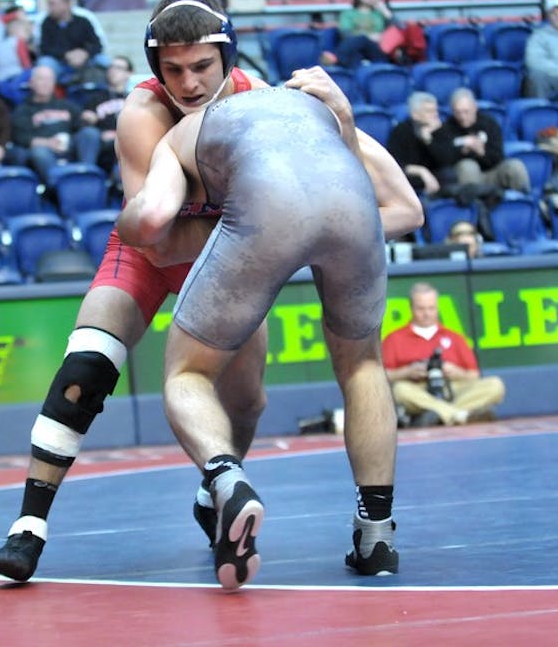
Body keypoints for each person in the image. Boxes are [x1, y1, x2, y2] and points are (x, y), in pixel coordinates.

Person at [0, 0, 423, 584]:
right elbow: (158, 240)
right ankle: (28, 527)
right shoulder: (143, 112)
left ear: (228, 60)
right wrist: (276, 233)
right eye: (173, 70)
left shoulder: (260, 98)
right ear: (155, 69)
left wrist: (310, 180)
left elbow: (374, 194)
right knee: (86, 365)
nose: (188, 83)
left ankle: (219, 496)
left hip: (228, 257)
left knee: (245, 404)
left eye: (201, 67)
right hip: (161, 253)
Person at [116, 83, 418, 588]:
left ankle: (225, 480)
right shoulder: (312, 108)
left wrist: (123, 225)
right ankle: (376, 536)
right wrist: (318, 231)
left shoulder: (180, 135)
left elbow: (150, 222)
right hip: (355, 204)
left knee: (187, 374)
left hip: (263, 211)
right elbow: (410, 211)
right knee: (363, 365)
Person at [382, 282, 505, 427]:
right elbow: (382, 376)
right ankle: (460, 415)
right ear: (411, 307)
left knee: (495, 385)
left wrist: (456, 372)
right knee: (399, 390)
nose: (426, 314)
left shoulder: (454, 337)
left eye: (431, 308)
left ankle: (440, 415)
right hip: (418, 389)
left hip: (451, 388)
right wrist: (407, 372)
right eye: (421, 309)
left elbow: (473, 375)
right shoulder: (394, 338)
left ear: (437, 307)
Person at [8, 63, 101, 183]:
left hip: (69, 146)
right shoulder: (22, 110)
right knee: (38, 152)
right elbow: (20, 138)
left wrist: (88, 119)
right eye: (41, 79)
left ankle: (87, 175)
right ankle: (59, 185)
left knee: (90, 133)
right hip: (45, 150)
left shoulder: (66, 105)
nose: (46, 83)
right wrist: (48, 143)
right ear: (31, 83)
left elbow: (80, 126)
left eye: (49, 79)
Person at [429, 88, 530, 194]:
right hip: (465, 177)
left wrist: (481, 152)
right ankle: (475, 202)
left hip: (492, 172)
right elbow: (443, 161)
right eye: (458, 112)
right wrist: (463, 151)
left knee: (515, 166)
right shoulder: (447, 128)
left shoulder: (489, 124)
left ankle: (524, 200)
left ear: (474, 108)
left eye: (466, 112)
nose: (462, 117)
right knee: (468, 166)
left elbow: (498, 156)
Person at [35, 0, 108, 85]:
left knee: (104, 61)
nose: (49, 8)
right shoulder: (46, 23)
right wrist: (66, 55)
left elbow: (97, 45)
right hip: (60, 62)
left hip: (85, 61)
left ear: (66, 3)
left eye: (52, 4)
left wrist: (85, 54)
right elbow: (45, 48)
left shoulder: (83, 21)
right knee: (45, 63)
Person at [386, 91, 448, 198]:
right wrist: (422, 171)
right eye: (429, 111)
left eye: (435, 110)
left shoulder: (439, 129)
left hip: (437, 176)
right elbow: (396, 164)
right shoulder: (400, 131)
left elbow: (446, 161)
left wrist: (429, 141)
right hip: (411, 177)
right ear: (415, 115)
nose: (436, 115)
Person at [80, 55, 133, 173]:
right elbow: (86, 119)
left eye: (119, 68)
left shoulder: (135, 98)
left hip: (127, 142)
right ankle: (88, 175)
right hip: (103, 144)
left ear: (129, 73)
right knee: (89, 133)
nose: (113, 71)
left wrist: (117, 135)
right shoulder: (96, 98)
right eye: (111, 67)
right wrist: (88, 119)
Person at [322, 0, 394, 68]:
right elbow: (346, 34)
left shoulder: (379, 14)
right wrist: (368, 36)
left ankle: (336, 58)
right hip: (354, 48)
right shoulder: (348, 13)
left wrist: (384, 10)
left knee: (361, 40)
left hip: (375, 49)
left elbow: (398, 31)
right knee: (358, 45)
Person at [0, 16, 34, 84]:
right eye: (26, 31)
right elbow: (25, 62)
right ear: (17, 30)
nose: (28, 36)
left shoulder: (1, 44)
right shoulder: (19, 42)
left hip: (0, 78)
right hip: (15, 77)